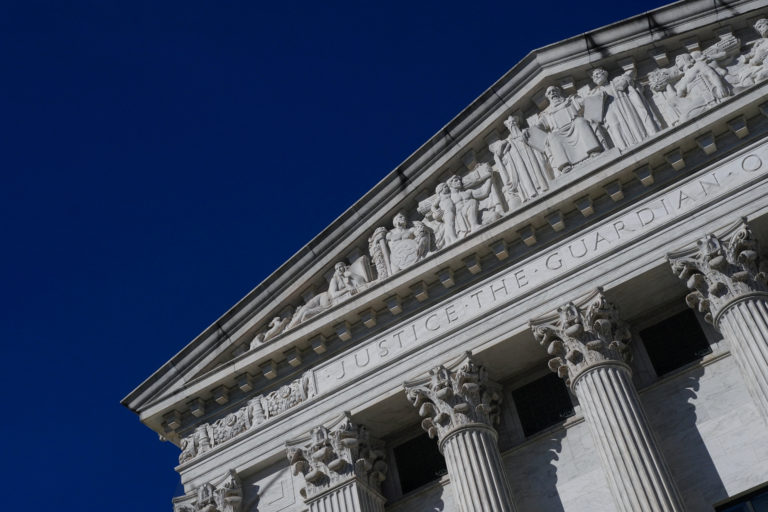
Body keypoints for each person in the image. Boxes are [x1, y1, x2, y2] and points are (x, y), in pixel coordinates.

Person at [528, 85, 603, 172]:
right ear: (548, 97)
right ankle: (565, 165)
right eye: (550, 93)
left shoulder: (571, 101)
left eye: (554, 91)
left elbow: (586, 101)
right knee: (552, 136)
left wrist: (598, 93)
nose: (552, 93)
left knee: (580, 121)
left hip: (575, 126)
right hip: (559, 133)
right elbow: (538, 126)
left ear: (559, 92)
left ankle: (593, 151)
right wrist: (527, 132)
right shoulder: (546, 113)